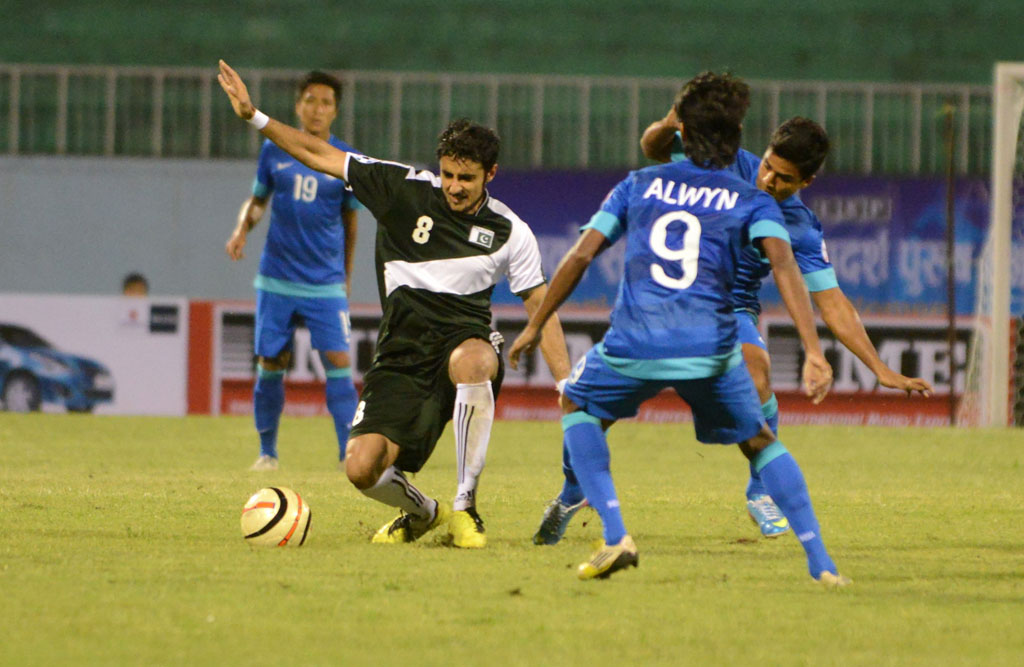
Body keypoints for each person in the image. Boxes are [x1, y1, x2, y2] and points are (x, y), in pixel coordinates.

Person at [509, 71, 849, 586]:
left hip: (636, 340)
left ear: (683, 136)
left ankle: (616, 533)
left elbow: (581, 255)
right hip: (711, 348)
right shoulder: (751, 199)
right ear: (738, 144)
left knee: (576, 403)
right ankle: (821, 563)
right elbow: (784, 269)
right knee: (760, 440)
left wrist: (536, 323)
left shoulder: (638, 183)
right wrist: (813, 352)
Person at [534, 114, 935, 545]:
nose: (768, 180)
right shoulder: (725, 164)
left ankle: (761, 492)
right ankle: (573, 491)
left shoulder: (799, 227)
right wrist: (671, 120)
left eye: (784, 179)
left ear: (808, 181)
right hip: (658, 303)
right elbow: (654, 147)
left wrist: (877, 367)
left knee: (757, 370)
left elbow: (833, 302)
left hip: (728, 311)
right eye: (767, 166)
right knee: (590, 411)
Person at [217, 60, 571, 549]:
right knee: (361, 468)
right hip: (401, 356)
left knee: (476, 360)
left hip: (460, 343)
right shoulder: (401, 189)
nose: (454, 186)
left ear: (490, 173)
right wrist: (255, 116)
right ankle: (425, 512)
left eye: (466, 178)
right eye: (448, 174)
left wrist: (566, 384)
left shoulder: (511, 231)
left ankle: (467, 507)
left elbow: (540, 305)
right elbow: (318, 153)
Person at [224, 69, 361, 472]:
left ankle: (346, 455)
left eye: (326, 103)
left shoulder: (344, 159)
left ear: (335, 112)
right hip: (277, 278)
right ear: (298, 106)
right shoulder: (274, 151)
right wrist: (241, 229)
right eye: (310, 100)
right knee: (271, 362)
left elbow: (351, 224)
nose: (317, 109)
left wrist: (346, 276)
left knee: (339, 362)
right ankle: (267, 454)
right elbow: (257, 200)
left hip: (324, 282)